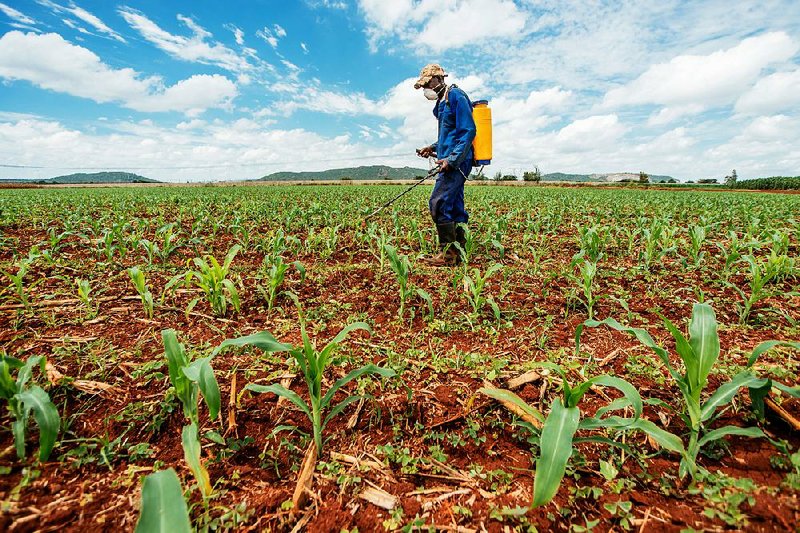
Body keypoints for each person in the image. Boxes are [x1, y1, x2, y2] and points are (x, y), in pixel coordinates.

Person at [414, 64, 476, 266]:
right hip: (449, 158)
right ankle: (458, 251)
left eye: (427, 83)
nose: (426, 89)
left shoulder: (456, 95)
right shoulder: (441, 102)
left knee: (438, 203)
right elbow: (449, 135)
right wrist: (432, 148)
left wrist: (452, 159)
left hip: (457, 161)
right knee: (454, 205)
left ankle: (448, 255)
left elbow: (467, 131)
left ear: (439, 79)